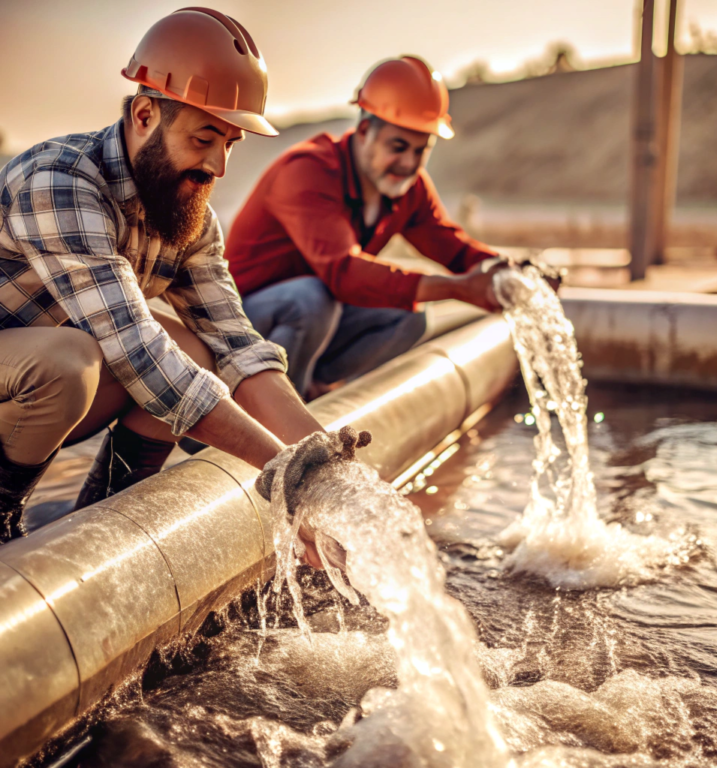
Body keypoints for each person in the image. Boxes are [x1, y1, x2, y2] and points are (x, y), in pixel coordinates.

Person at [0, 8, 325, 546]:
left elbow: (237, 346)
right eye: (204, 139)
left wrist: (328, 474)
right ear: (145, 114)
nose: (218, 166)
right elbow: (136, 351)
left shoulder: (187, 215)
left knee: (198, 351)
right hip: (29, 379)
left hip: (23, 398)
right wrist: (287, 479)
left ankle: (103, 528)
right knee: (68, 362)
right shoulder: (59, 181)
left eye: (230, 144)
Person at [225, 56, 509, 399]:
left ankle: (311, 389)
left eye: (421, 151)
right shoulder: (308, 171)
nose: (409, 163)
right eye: (398, 147)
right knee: (310, 299)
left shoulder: (409, 188)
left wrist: (509, 272)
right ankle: (267, 409)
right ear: (363, 132)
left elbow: (452, 246)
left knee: (408, 317)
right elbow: (343, 272)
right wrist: (458, 289)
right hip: (241, 323)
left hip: (315, 321)